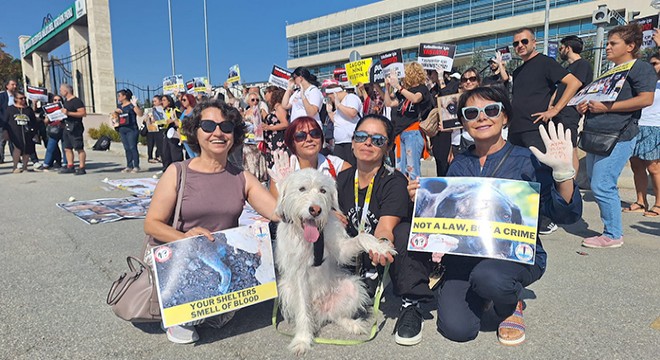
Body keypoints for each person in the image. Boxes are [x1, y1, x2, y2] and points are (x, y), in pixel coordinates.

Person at [407, 86, 582, 346]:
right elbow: (445, 219)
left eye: (491, 110)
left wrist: (563, 175)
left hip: (515, 256)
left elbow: (564, 215)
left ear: (505, 117)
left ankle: (509, 303)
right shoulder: (459, 165)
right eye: (471, 113)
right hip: (466, 258)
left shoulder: (527, 161)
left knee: (490, 278)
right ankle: (483, 293)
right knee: (457, 329)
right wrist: (421, 201)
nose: (482, 117)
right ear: (464, 122)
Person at [144, 99, 278, 344]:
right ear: (196, 131)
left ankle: (207, 310)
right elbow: (152, 224)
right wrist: (185, 238)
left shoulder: (242, 177)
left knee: (224, 302)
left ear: (234, 135)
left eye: (226, 127)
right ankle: (178, 312)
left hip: (218, 255)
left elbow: (278, 212)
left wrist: (313, 206)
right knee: (195, 309)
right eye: (208, 125)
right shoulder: (177, 171)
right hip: (181, 254)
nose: (218, 132)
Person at [334, 114, 429, 346]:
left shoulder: (393, 180)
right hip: (354, 257)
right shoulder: (342, 178)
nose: (368, 143)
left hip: (384, 253)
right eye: (361, 137)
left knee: (405, 231)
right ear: (353, 142)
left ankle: (411, 303)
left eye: (377, 140)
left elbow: (386, 226)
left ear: (387, 147)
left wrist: (381, 245)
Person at [577, 23, 656, 248]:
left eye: (613, 43)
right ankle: (610, 231)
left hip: (618, 135)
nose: (607, 47)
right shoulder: (611, 71)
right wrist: (583, 106)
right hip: (596, 134)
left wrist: (607, 108)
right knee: (597, 182)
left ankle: (612, 234)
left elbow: (646, 99)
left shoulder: (640, 68)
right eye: (608, 43)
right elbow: (597, 99)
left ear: (630, 46)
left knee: (603, 184)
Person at [510, 27, 582, 234]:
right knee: (519, 176)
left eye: (524, 41)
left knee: (539, 177)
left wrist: (555, 109)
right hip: (517, 129)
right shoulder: (518, 70)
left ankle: (545, 218)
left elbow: (573, 83)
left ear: (534, 43)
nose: (520, 46)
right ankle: (525, 215)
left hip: (535, 129)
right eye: (516, 43)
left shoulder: (546, 63)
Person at [268, 116, 350, 198]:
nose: (309, 139)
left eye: (315, 133)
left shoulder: (336, 166)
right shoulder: (281, 171)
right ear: (292, 143)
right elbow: (275, 208)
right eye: (300, 136)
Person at [624, 51, 660, 217]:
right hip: (636, 124)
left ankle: (658, 204)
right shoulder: (643, 81)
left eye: (656, 64)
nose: (652, 67)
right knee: (636, 165)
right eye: (650, 64)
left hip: (654, 127)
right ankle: (641, 201)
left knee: (653, 168)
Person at [384, 62, 434, 179]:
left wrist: (398, 87)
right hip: (400, 133)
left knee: (412, 170)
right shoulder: (405, 92)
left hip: (413, 132)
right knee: (400, 169)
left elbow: (416, 98)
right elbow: (389, 103)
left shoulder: (422, 89)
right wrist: (387, 88)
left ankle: (415, 194)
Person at [555, 35, 594, 173]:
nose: (560, 51)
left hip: (570, 113)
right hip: (559, 113)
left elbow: (576, 86)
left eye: (561, 47)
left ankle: (572, 185)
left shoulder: (582, 64)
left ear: (568, 48)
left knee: (570, 148)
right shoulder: (566, 68)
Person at [325, 81, 362, 166]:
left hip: (350, 141)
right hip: (339, 142)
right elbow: (337, 122)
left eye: (330, 97)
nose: (331, 100)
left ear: (334, 93)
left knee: (352, 166)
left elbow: (352, 113)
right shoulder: (340, 104)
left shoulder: (351, 98)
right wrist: (330, 112)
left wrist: (338, 105)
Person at [4, 91, 37, 173]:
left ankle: (25, 167)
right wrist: (5, 132)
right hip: (15, 132)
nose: (23, 100)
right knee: (17, 148)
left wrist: (35, 133)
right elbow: (5, 121)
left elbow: (34, 122)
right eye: (21, 98)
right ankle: (15, 167)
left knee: (27, 149)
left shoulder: (28, 109)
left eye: (24, 98)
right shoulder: (10, 109)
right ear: (15, 99)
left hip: (27, 131)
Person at [58, 83, 87, 175]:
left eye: (61, 90)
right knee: (67, 148)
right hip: (66, 127)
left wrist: (68, 113)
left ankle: (82, 167)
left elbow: (83, 113)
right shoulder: (65, 102)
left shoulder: (76, 101)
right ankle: (70, 166)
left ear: (66, 91)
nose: (60, 91)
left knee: (79, 148)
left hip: (75, 127)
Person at [115, 89, 143, 173]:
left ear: (124, 96)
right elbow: (115, 117)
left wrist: (135, 105)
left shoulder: (131, 105)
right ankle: (129, 165)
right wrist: (115, 112)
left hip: (132, 129)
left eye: (119, 96)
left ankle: (136, 166)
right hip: (122, 128)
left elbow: (140, 114)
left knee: (132, 147)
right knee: (126, 148)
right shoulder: (119, 106)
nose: (118, 97)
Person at [242, 92, 268, 182]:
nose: (255, 102)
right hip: (247, 142)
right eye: (253, 100)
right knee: (249, 165)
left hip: (258, 142)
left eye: (257, 100)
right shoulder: (245, 113)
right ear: (248, 101)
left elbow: (267, 122)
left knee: (259, 164)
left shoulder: (261, 111)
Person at [262, 86, 288, 169]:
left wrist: (269, 128)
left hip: (278, 140)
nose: (264, 95)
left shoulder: (279, 107)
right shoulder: (273, 108)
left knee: (278, 164)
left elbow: (285, 124)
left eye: (265, 92)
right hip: (271, 141)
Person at [42, 94, 67, 170]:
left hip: (63, 130)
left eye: (59, 100)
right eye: (55, 100)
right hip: (53, 130)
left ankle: (66, 163)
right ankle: (46, 164)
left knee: (65, 147)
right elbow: (45, 122)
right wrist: (48, 118)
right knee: (50, 147)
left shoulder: (65, 108)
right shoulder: (49, 109)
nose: (57, 102)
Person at [160, 94, 183, 170]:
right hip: (165, 134)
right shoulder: (162, 112)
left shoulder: (175, 111)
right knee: (165, 153)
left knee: (175, 154)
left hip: (174, 135)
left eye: (164, 100)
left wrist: (173, 120)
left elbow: (182, 122)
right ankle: (166, 170)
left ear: (169, 102)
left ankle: (178, 170)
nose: (162, 102)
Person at [0, 79, 18, 164]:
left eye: (15, 85)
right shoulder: (2, 96)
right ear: (7, 86)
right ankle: (0, 158)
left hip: (14, 122)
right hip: (3, 122)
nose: (15, 86)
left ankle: (16, 158)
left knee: (14, 141)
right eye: (12, 84)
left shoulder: (17, 96)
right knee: (2, 141)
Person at [146, 94, 165, 164]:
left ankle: (160, 156)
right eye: (153, 101)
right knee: (151, 143)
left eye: (155, 101)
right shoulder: (151, 110)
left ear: (160, 102)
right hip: (152, 128)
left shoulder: (163, 109)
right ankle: (151, 157)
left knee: (161, 144)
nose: (154, 103)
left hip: (161, 128)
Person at [179, 94, 197, 159]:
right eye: (182, 100)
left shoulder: (194, 111)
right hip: (184, 137)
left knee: (196, 155)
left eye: (184, 100)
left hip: (192, 137)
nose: (182, 102)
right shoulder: (184, 111)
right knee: (191, 156)